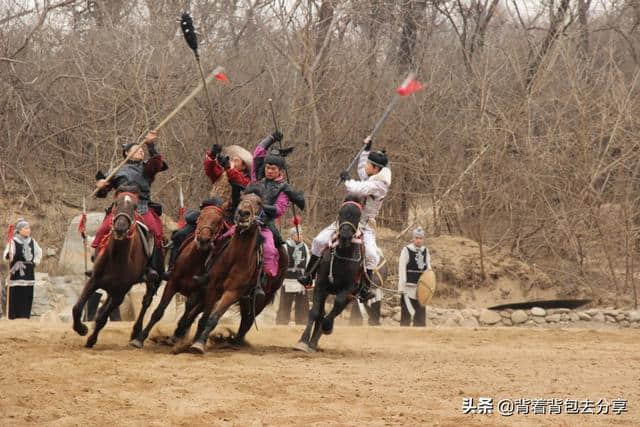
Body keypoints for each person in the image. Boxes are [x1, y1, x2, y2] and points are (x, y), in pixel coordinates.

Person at [298, 136, 391, 301]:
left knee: (371, 254)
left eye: (370, 164)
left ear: (376, 168)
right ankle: (309, 274)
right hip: (348, 220)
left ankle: (364, 288)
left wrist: (348, 180)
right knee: (319, 241)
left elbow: (359, 188)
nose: (366, 167)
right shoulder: (372, 175)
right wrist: (366, 150)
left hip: (365, 224)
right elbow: (362, 169)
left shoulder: (379, 185)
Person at [89, 131, 168, 281]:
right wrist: (100, 186)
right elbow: (102, 194)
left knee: (156, 232)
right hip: (120, 208)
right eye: (137, 149)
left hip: (142, 206)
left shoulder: (147, 168)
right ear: (126, 153)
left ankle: (153, 267)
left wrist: (151, 144)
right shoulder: (116, 172)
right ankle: (97, 263)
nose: (141, 150)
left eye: (142, 149)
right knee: (103, 229)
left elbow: (157, 163)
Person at [248, 131, 305, 299]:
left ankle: (263, 281)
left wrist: (263, 206)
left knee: (270, 250)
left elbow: (279, 209)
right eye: (267, 167)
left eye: (273, 168)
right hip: (246, 219)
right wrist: (271, 139)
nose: (269, 171)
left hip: (266, 223)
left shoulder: (284, 188)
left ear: (280, 171)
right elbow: (258, 153)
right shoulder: (257, 177)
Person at [3, 219, 42, 319]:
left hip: (28, 272)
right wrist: (8, 255)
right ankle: (13, 317)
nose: (28, 230)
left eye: (29, 228)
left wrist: (34, 263)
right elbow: (8, 254)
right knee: (16, 294)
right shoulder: (13, 241)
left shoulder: (33, 241)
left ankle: (25, 316)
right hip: (16, 273)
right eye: (26, 228)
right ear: (19, 230)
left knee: (27, 294)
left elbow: (39, 253)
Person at [276, 227, 310, 325]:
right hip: (288, 278)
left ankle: (302, 322)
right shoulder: (286, 246)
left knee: (302, 304)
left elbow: (308, 262)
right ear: (292, 235)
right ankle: (282, 322)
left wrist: (308, 276)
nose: (300, 236)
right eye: (298, 234)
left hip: (300, 279)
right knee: (285, 302)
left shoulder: (305, 247)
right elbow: (281, 262)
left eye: (301, 234)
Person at [398, 226, 430, 327]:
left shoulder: (426, 251)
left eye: (420, 238)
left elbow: (429, 269)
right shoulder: (407, 250)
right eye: (416, 238)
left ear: (423, 239)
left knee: (420, 313)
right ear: (413, 238)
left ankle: (420, 333)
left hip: (422, 288)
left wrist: (429, 286)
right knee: (406, 312)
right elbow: (402, 268)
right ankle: (404, 335)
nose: (418, 240)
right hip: (408, 287)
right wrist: (401, 286)